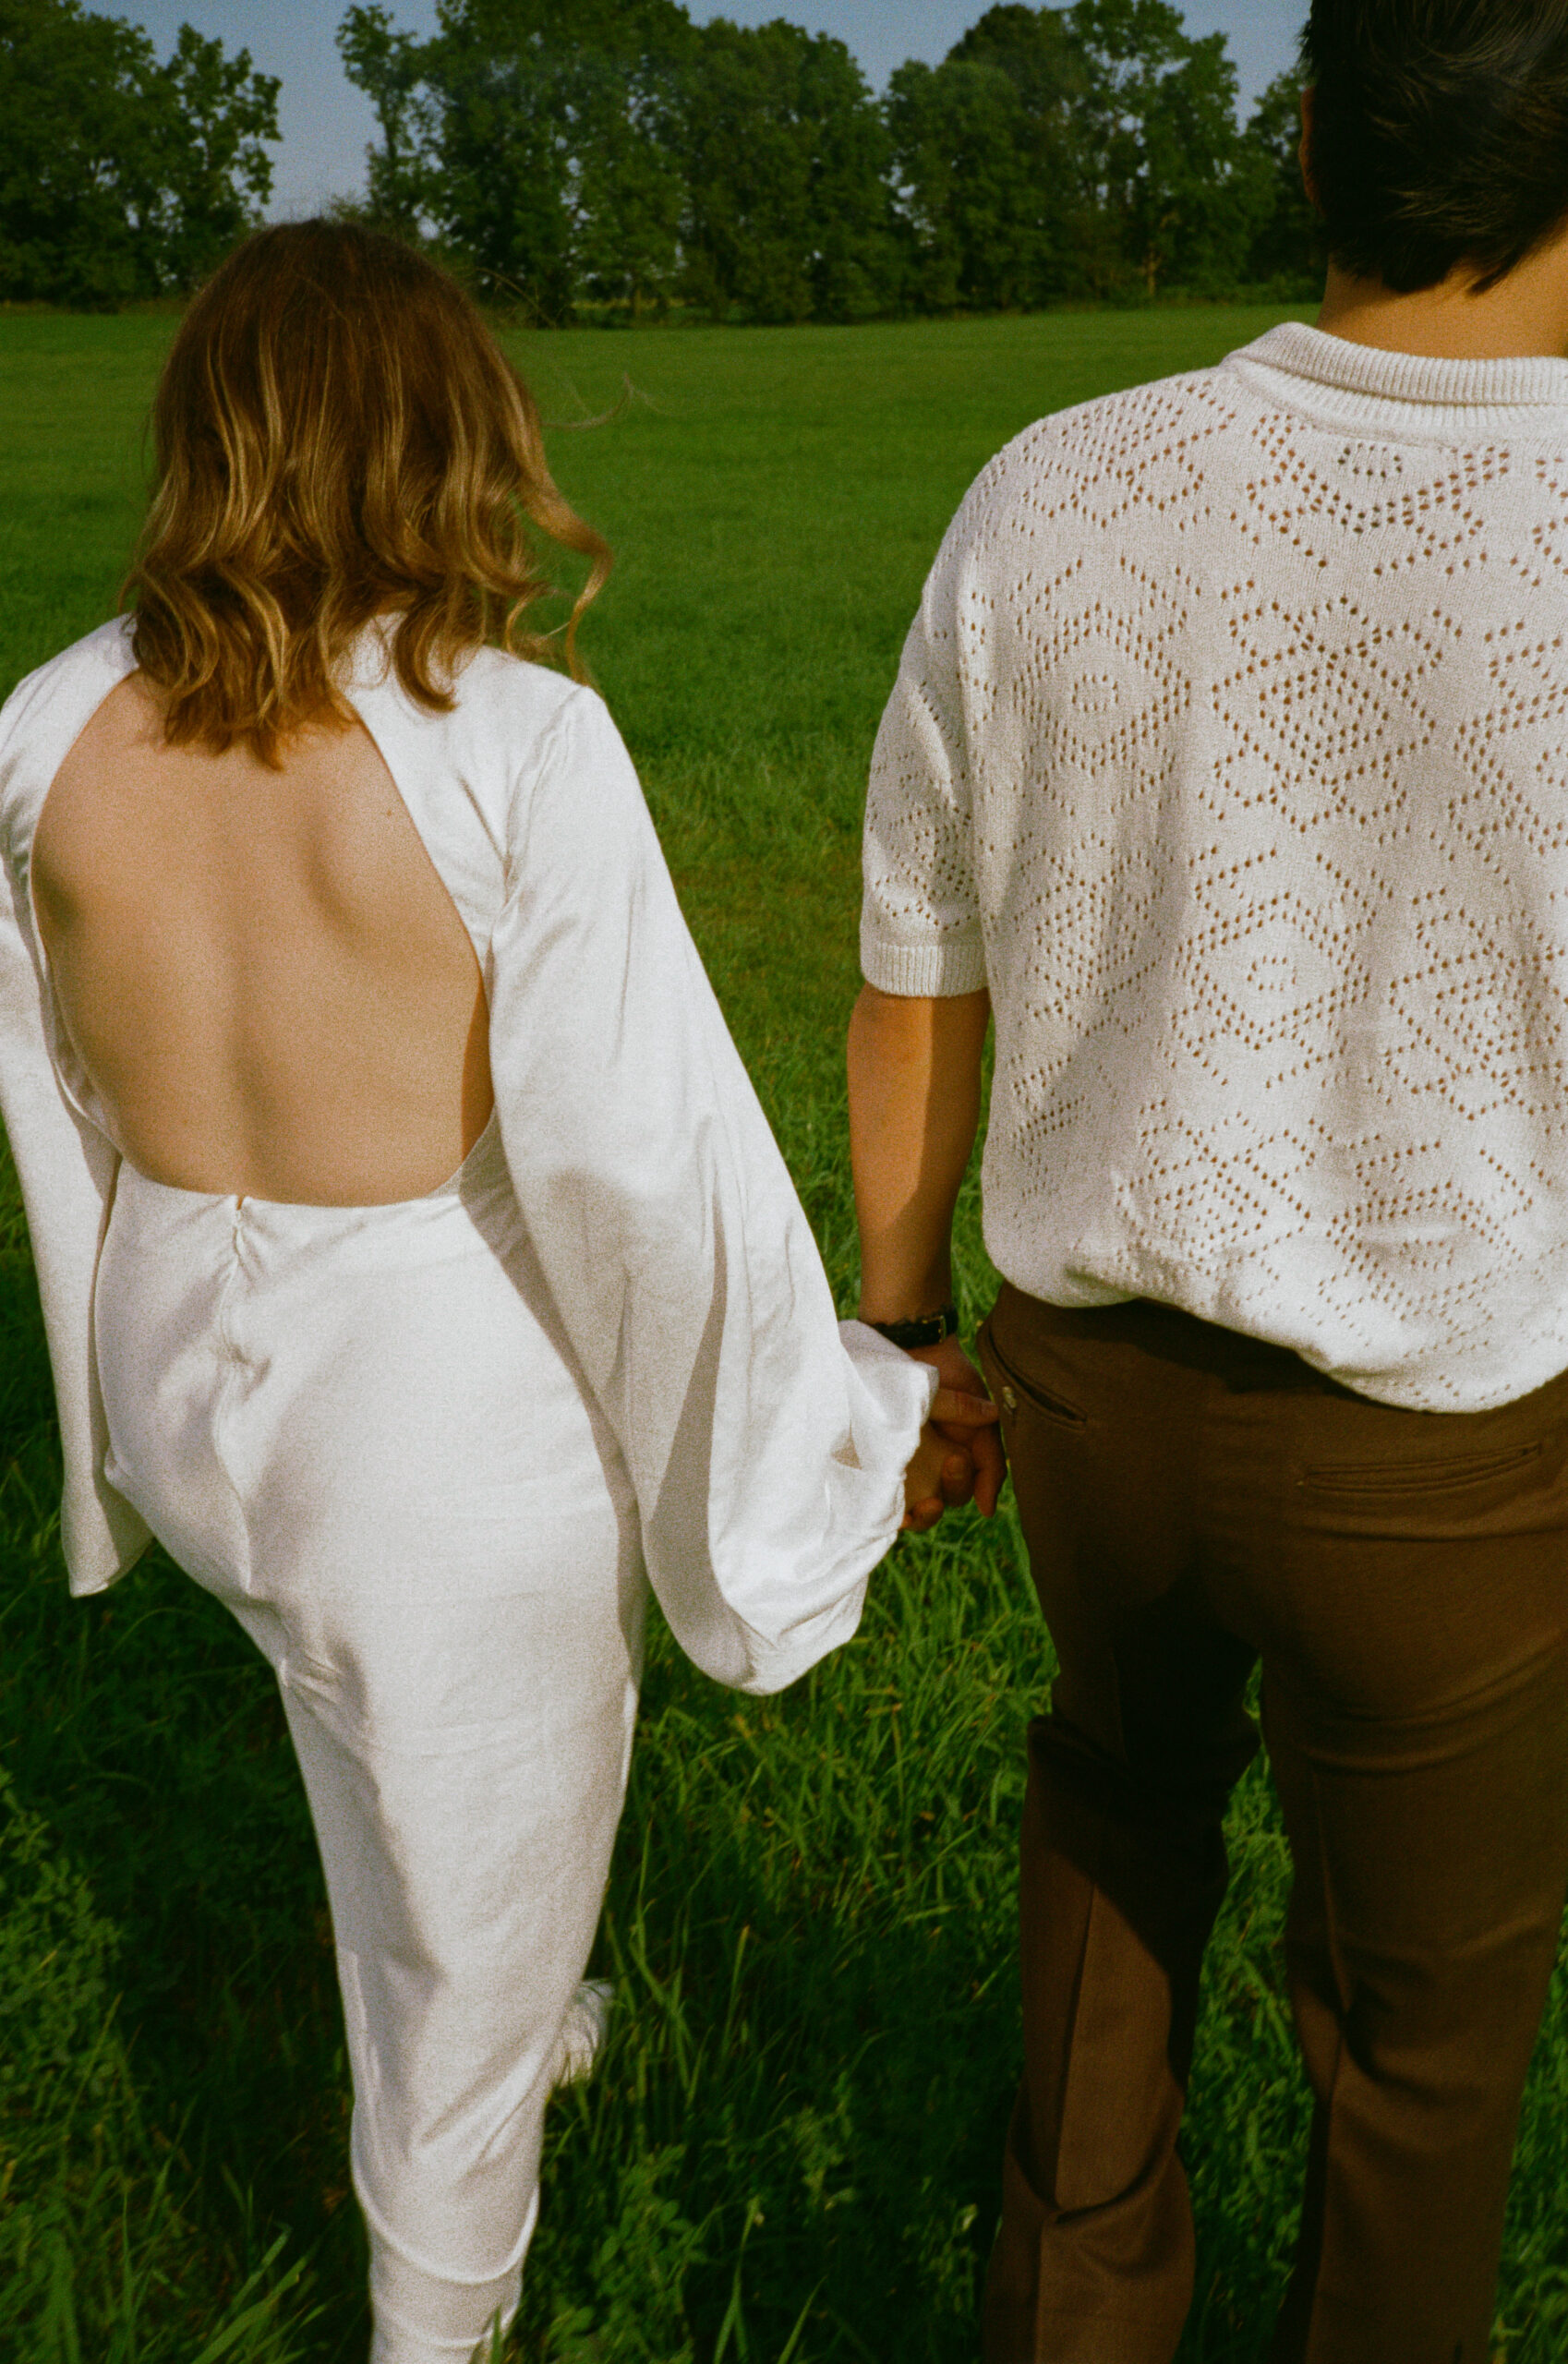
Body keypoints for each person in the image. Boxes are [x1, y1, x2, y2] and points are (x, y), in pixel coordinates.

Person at [0, 222, 996, 2364]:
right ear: (455, 437)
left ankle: (525, 1985)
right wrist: (843, 1411)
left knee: (373, 1742)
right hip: (430, 1421)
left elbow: (55, 1095)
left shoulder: (45, 724)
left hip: (188, 1357)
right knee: (464, 1942)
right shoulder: (508, 741)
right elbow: (640, 1168)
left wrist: (115, 1416)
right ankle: (433, 2323)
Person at [848, 4, 1568, 2358]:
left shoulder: (1054, 481)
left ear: (1304, 137)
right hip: (1456, 1454)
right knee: (1423, 2048)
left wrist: (905, 1317)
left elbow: (912, 951)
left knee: (1111, 1828)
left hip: (1092, 1394)